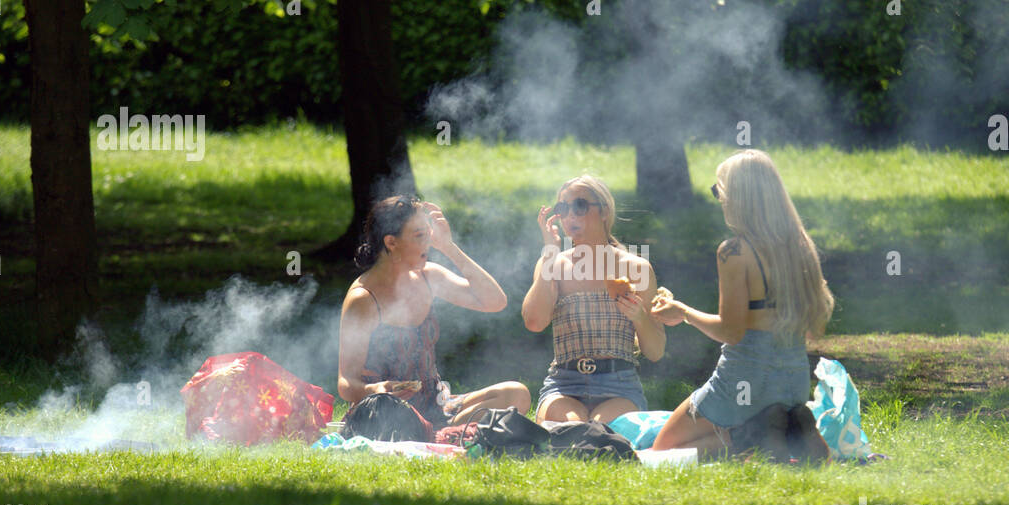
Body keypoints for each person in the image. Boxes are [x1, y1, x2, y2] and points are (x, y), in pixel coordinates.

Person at [649, 150, 833, 461]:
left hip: (745, 378)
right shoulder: (800, 245)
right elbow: (816, 325)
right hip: (794, 383)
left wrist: (682, 312)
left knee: (663, 449)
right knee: (711, 436)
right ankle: (777, 432)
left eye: (718, 190)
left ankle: (753, 438)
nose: (719, 199)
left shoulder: (734, 251)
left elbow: (731, 332)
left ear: (737, 196)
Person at [338, 194, 530, 428]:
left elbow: (495, 301)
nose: (428, 243)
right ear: (391, 242)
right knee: (400, 424)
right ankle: (442, 430)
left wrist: (449, 247)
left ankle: (441, 429)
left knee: (516, 394)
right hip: (386, 414)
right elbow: (346, 383)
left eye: (427, 234)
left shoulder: (428, 277)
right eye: (419, 236)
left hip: (435, 404)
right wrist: (376, 390)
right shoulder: (363, 299)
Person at [522, 175, 665, 424]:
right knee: (573, 428)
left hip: (619, 384)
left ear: (604, 211)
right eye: (562, 209)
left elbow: (655, 352)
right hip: (563, 383)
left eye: (579, 206)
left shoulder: (636, 267)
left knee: (601, 430)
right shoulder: (553, 264)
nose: (570, 216)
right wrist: (549, 254)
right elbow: (534, 322)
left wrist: (640, 317)